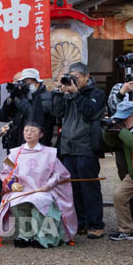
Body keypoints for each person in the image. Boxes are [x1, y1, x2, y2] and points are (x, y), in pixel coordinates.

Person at [0, 113, 77, 248]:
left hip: (42, 189)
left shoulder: (50, 153)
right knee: (16, 202)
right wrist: (11, 183)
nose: (28, 133)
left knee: (40, 202)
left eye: (33, 131)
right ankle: (24, 235)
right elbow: (5, 172)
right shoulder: (15, 153)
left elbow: (60, 173)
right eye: (26, 130)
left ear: (41, 135)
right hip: (22, 190)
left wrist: (48, 185)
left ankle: (42, 237)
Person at [52, 62, 108, 238]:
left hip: (87, 146)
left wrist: (76, 94)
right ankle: (80, 222)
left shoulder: (96, 94)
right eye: (70, 77)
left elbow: (90, 112)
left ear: (86, 77)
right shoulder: (67, 94)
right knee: (73, 187)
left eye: (76, 77)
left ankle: (96, 224)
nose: (72, 81)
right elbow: (56, 113)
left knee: (89, 185)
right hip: (67, 146)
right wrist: (60, 94)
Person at [102, 100, 133, 241]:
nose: (123, 120)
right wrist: (109, 131)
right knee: (119, 195)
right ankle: (126, 230)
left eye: (126, 117)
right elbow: (111, 144)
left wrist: (122, 131)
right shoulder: (124, 128)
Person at [0, 68, 53, 150]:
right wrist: (12, 97)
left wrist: (21, 98)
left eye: (27, 83)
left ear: (37, 82)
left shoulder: (46, 96)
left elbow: (32, 115)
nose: (25, 85)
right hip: (17, 141)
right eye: (23, 82)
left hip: (37, 143)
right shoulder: (23, 95)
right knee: (13, 163)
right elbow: (5, 113)